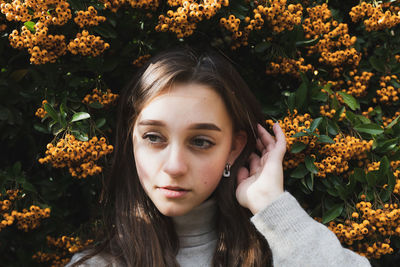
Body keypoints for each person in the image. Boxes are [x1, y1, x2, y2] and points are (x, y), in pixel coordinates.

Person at [66, 45, 371, 266]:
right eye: (154, 137)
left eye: (200, 141)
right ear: (132, 140)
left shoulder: (281, 253)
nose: (174, 166)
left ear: (234, 148)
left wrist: (273, 207)